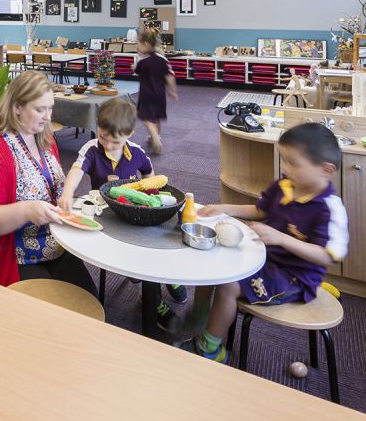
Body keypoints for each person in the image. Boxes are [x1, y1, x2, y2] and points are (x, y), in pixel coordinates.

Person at [181, 123, 349, 362]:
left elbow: (327, 255)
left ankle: (210, 348)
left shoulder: (330, 209)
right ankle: (198, 317)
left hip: (294, 276)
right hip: (263, 257)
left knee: (228, 286)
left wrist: (282, 238)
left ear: (326, 169)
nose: (285, 168)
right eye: (284, 160)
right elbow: (260, 210)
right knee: (213, 265)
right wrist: (225, 208)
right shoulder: (285, 185)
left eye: (293, 163)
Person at [0, 70, 97, 293]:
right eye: (39, 109)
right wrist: (25, 211)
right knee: (49, 316)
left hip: (54, 242)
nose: (48, 116)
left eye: (50, 108)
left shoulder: (44, 137)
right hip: (14, 254)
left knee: (88, 299)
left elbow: (51, 185)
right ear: (17, 107)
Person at [58, 98, 186, 313]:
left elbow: (149, 173)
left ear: (130, 134)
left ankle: (168, 277)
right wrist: (67, 193)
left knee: (157, 240)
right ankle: (151, 300)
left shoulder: (136, 152)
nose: (108, 145)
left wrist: (148, 193)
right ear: (97, 125)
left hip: (134, 210)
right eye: (103, 137)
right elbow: (77, 170)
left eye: (115, 142)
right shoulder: (91, 149)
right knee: (129, 256)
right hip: (107, 215)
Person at [134, 29, 177, 154]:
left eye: (139, 44)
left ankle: (155, 138)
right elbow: (170, 76)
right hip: (160, 94)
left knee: (147, 118)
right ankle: (156, 136)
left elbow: (137, 71)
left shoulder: (142, 61)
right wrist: (172, 91)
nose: (138, 47)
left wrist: (134, 66)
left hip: (146, 94)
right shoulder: (163, 59)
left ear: (146, 44)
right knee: (157, 117)